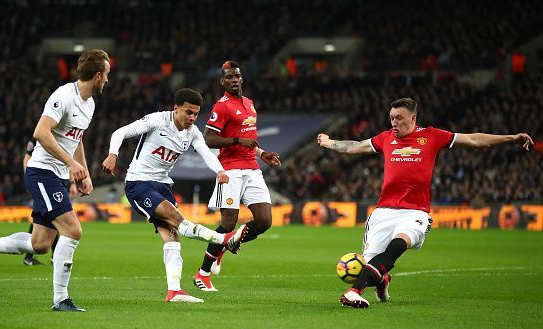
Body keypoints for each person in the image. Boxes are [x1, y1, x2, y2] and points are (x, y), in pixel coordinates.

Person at [317, 97, 534, 308]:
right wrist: (328, 142)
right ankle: (383, 281)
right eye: (392, 118)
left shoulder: (431, 136)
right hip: (384, 211)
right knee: (373, 270)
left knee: (398, 244)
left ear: (413, 119)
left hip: (415, 212)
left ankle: (353, 292)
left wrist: (511, 138)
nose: (394, 123)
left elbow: (473, 140)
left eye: (399, 118)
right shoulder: (385, 138)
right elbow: (354, 147)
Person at [0, 49, 112, 312]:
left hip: (58, 176)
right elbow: (41, 132)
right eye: (107, 75)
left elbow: (77, 140)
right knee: (73, 231)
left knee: (40, 244)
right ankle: (61, 299)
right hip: (42, 172)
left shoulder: (89, 104)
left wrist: (83, 172)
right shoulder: (64, 96)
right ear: (97, 76)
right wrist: (70, 164)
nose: (108, 81)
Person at [101, 88, 248, 303]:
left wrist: (219, 171)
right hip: (139, 183)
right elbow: (119, 133)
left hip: (163, 185)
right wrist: (113, 154)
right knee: (176, 219)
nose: (192, 118)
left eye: (196, 114)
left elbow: (206, 152)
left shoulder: (193, 132)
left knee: (172, 235)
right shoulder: (156, 120)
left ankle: (174, 291)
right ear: (176, 108)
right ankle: (223, 239)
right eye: (188, 112)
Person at [193, 61, 281, 292]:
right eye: (229, 77)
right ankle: (202, 274)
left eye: (237, 77)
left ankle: (225, 246)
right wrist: (236, 141)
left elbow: (249, 137)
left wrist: (263, 154)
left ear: (242, 79)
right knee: (228, 223)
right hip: (230, 169)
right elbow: (208, 138)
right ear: (223, 82)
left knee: (264, 221)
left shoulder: (250, 104)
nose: (234, 80)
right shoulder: (221, 107)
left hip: (252, 169)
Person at [21, 138, 62, 266]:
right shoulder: (37, 138)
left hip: (53, 180)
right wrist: (29, 180)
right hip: (41, 181)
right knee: (55, 217)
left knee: (47, 218)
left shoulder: (59, 136)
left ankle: (35, 257)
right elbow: (26, 159)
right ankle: (52, 256)